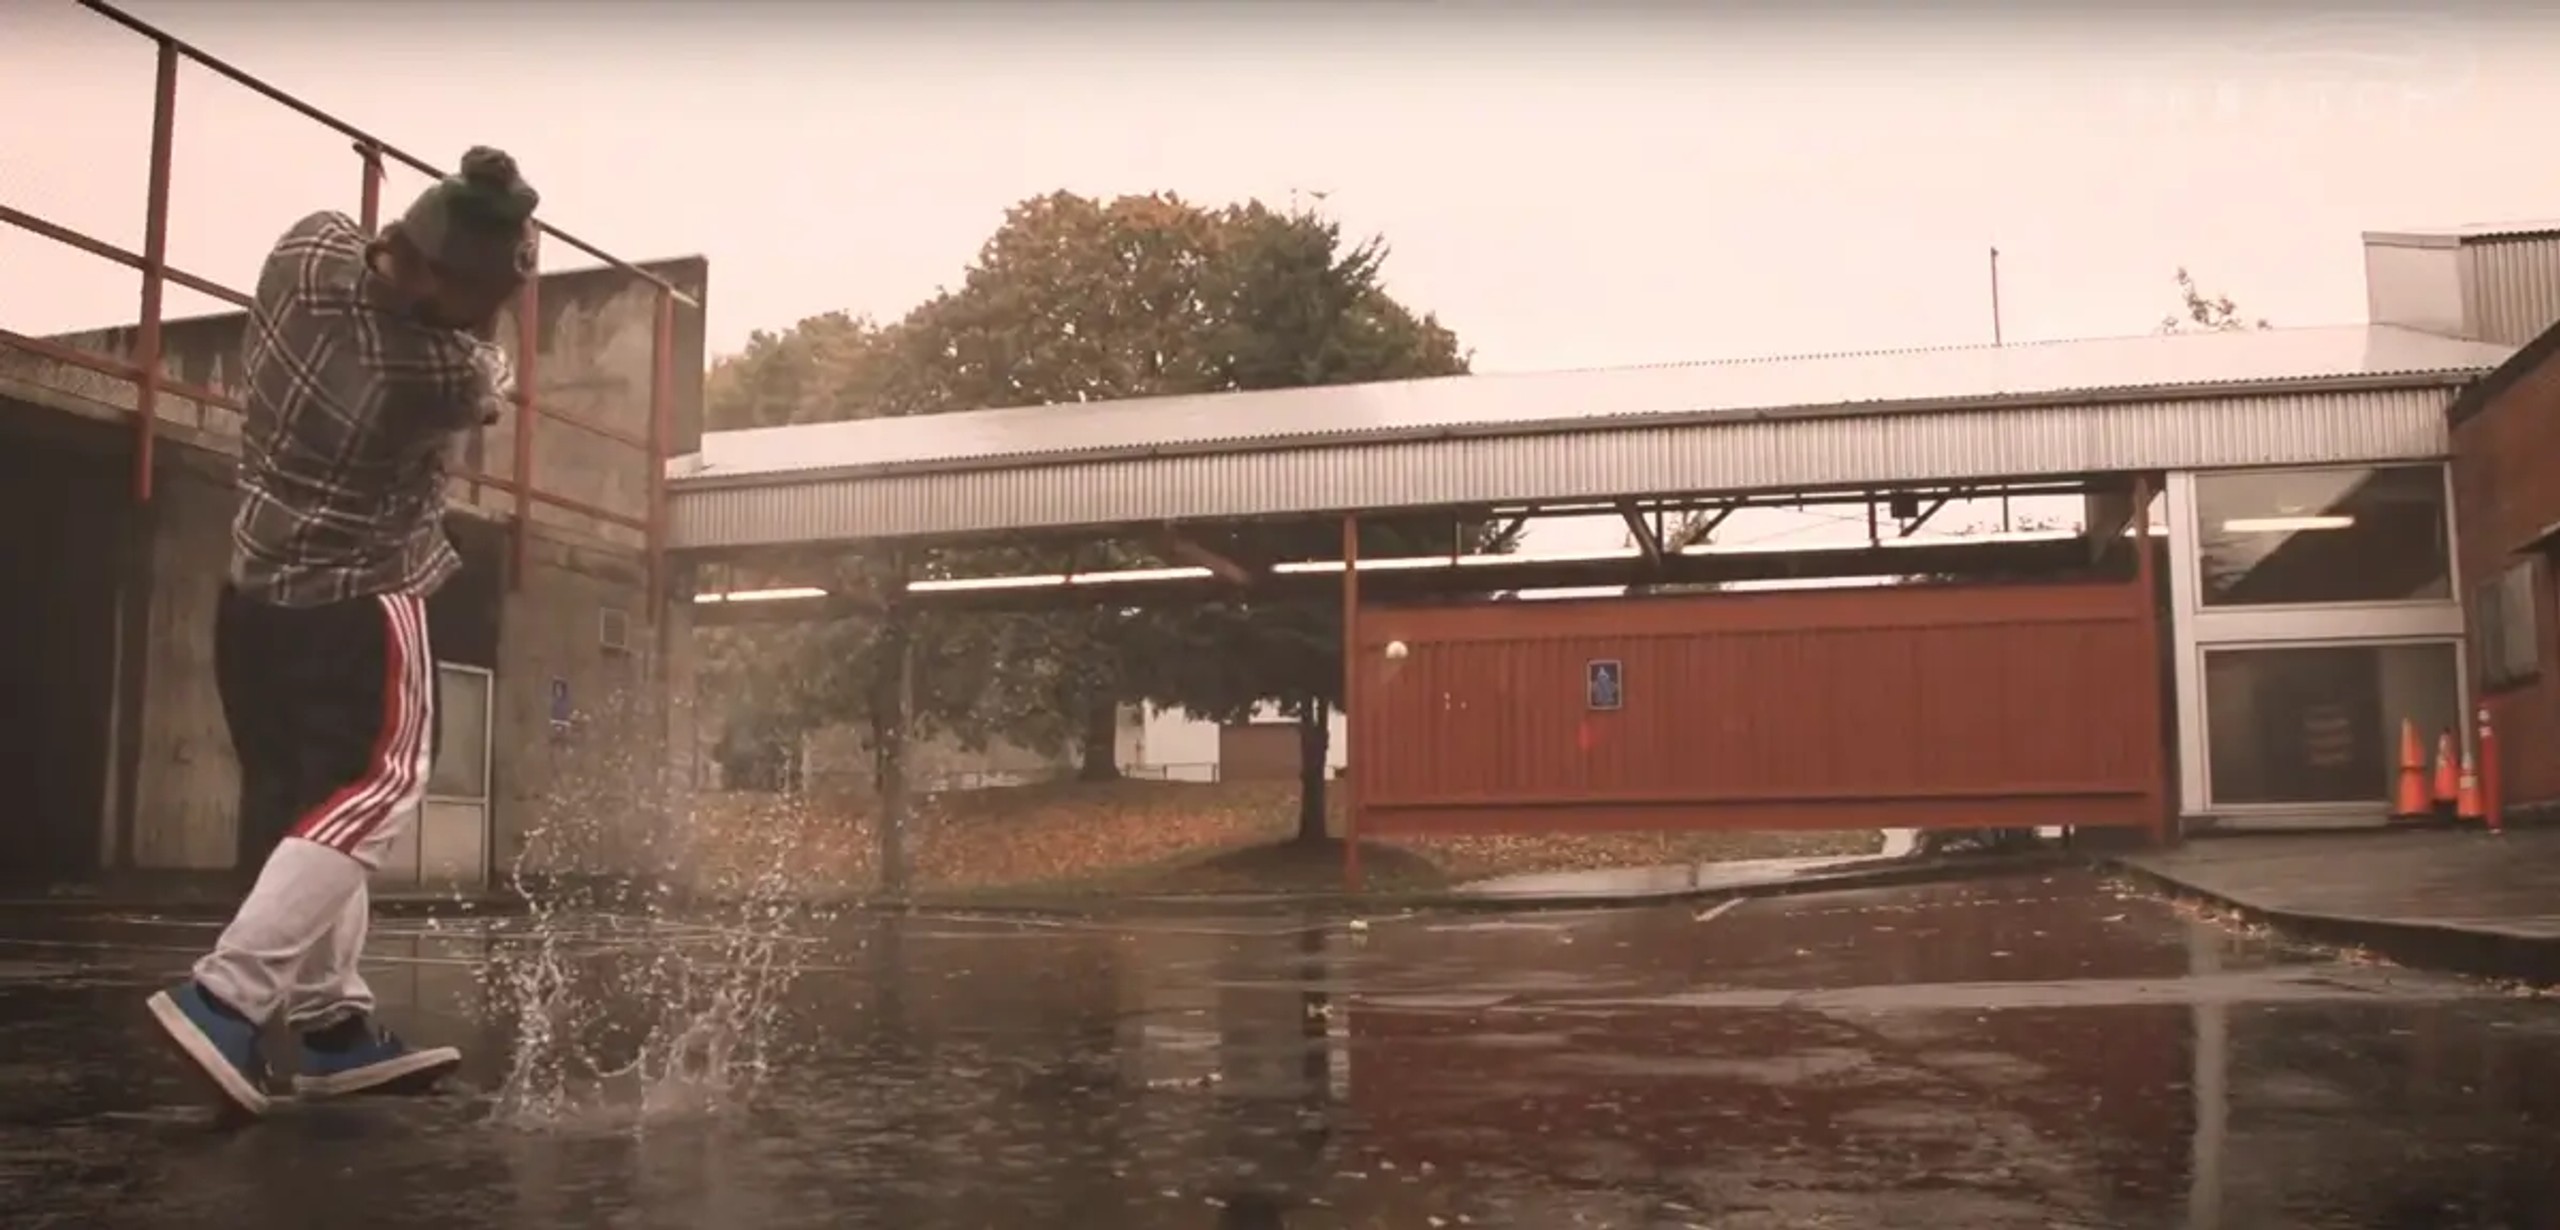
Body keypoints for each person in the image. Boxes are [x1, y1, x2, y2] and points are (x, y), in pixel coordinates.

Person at [147, 147, 540, 1118]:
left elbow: (374, 259)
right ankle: (226, 998)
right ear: (445, 286)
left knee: (313, 805)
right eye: (488, 296)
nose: (491, 317)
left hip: (253, 594)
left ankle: (330, 1026)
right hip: (360, 596)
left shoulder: (307, 250)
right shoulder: (436, 373)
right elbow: (491, 383)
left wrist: (471, 206)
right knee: (379, 786)